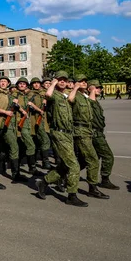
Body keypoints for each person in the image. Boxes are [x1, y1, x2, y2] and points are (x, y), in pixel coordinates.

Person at [35, 71, 88, 207]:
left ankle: (44, 182)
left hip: (69, 133)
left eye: (65, 79)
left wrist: (75, 87)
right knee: (74, 165)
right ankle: (72, 195)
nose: (62, 81)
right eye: (60, 79)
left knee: (66, 164)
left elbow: (73, 100)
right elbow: (48, 94)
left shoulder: (66, 95)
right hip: (59, 133)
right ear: (55, 81)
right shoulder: (54, 95)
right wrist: (52, 83)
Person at [68, 75, 109, 200]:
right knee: (93, 159)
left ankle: (51, 180)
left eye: (85, 81)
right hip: (80, 131)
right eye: (81, 81)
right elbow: (70, 99)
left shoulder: (85, 96)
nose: (84, 83)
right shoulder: (75, 95)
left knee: (80, 162)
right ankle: (93, 188)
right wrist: (75, 88)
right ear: (75, 83)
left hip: (88, 130)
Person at [88, 80, 119, 190]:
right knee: (108, 156)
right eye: (97, 88)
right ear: (90, 89)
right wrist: (91, 90)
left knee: (87, 160)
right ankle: (105, 179)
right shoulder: (89, 101)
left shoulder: (95, 101)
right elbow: (90, 102)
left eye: (100, 88)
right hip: (95, 134)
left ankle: (61, 175)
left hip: (99, 132)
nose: (100, 90)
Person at [0, 76, 23, 182]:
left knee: (4, 148)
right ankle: (15, 174)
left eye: (5, 81)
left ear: (8, 83)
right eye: (1, 81)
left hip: (11, 123)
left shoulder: (8, 94)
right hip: (2, 123)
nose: (3, 83)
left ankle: (1, 164)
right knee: (14, 147)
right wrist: (5, 112)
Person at [14, 77, 38, 177]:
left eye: (24, 84)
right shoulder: (15, 94)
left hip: (26, 122)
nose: (22, 85)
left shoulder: (25, 95)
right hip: (19, 121)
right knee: (30, 145)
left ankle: (21, 169)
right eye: (20, 84)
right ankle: (32, 168)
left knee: (23, 147)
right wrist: (23, 111)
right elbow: (14, 103)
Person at [29, 77, 52, 169]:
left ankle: (39, 161)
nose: (36, 85)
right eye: (34, 83)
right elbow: (29, 104)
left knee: (41, 140)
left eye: (38, 83)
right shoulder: (30, 94)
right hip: (35, 119)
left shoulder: (44, 93)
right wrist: (39, 110)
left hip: (46, 119)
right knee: (44, 140)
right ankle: (45, 161)